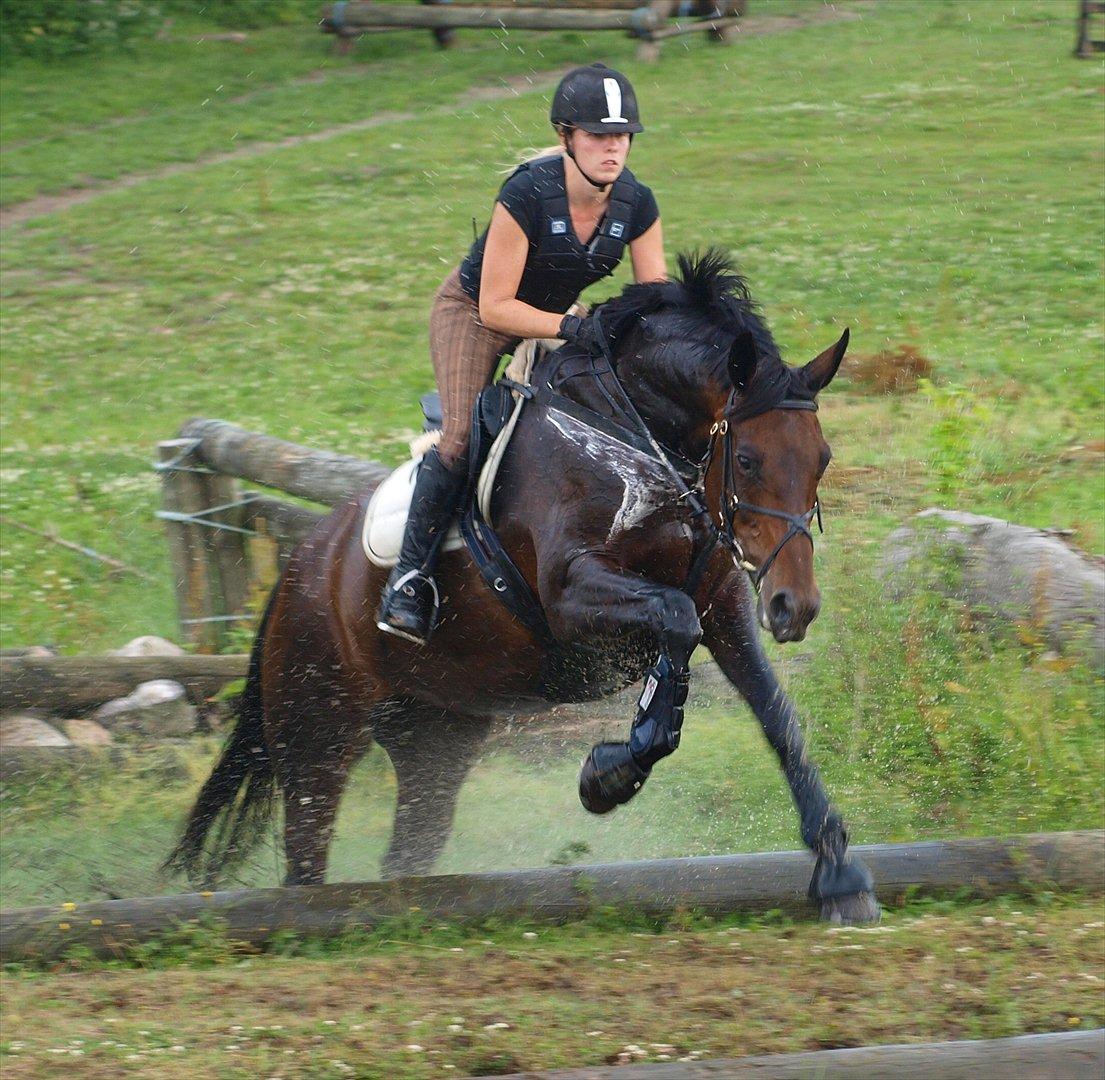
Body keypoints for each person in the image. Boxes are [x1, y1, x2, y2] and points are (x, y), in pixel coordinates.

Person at [377, 62, 667, 644]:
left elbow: (653, 300)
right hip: (478, 315)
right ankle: (409, 580)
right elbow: (496, 306)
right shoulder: (527, 193)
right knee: (459, 437)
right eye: (598, 136)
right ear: (567, 137)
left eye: (622, 135)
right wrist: (568, 326)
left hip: (553, 324)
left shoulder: (637, 204)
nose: (614, 148)